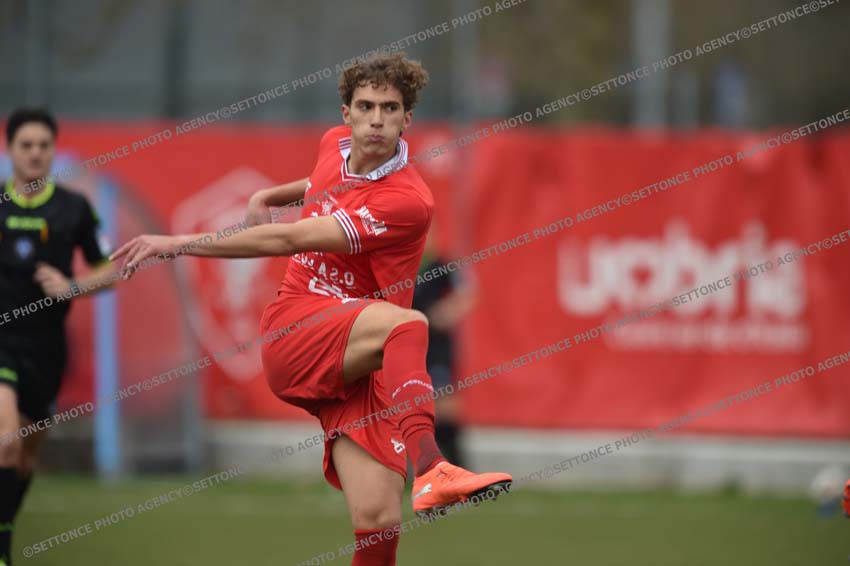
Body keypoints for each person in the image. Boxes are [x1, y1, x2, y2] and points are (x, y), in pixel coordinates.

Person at [112, 53, 511, 565]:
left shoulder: (408, 200)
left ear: (407, 119)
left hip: (359, 364)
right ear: (346, 113)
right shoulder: (333, 144)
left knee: (379, 519)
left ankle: (430, 477)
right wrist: (260, 199)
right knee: (409, 324)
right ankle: (433, 466)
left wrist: (185, 238)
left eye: (389, 108)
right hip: (296, 329)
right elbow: (313, 193)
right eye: (365, 106)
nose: (376, 119)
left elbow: (291, 234)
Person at [0, 108, 116, 566]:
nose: (34, 154)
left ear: (53, 150)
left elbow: (110, 271)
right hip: (3, 342)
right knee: (6, 440)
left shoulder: (74, 208)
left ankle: (6, 524)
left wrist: (72, 286)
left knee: (26, 457)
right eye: (25, 145)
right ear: (10, 150)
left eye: (43, 146)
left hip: (47, 348)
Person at [412, 224, 477, 467]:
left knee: (444, 405)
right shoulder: (402, 267)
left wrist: (446, 312)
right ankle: (423, 465)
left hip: (436, 347)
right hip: (409, 346)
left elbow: (467, 293)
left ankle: (457, 465)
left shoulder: (441, 266)